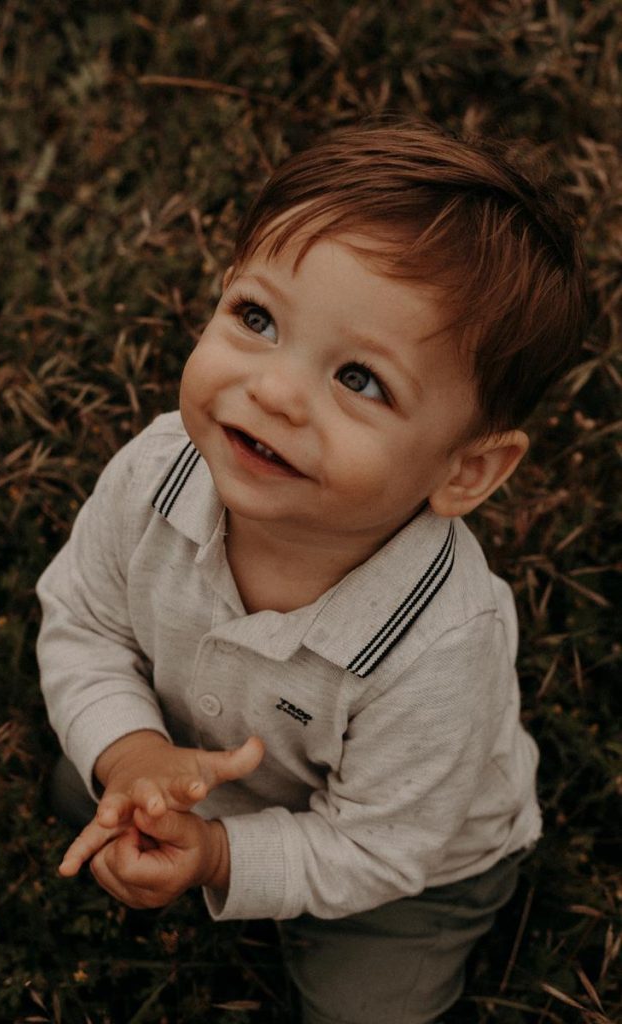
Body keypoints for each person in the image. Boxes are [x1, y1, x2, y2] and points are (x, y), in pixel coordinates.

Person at [36, 121, 587, 1024]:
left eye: (360, 380)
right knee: (82, 777)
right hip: (207, 766)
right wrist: (133, 754)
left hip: (404, 864)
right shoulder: (153, 472)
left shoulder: (440, 644)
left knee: (364, 1007)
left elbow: (384, 844)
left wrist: (217, 857)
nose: (275, 392)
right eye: (256, 320)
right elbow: (86, 625)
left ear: (464, 472)